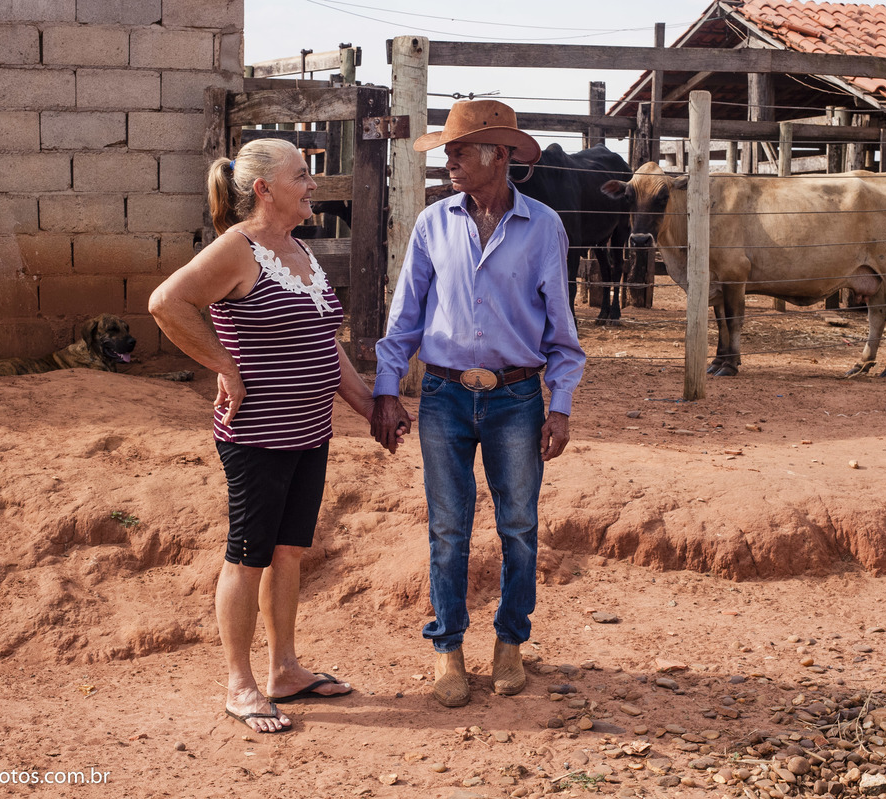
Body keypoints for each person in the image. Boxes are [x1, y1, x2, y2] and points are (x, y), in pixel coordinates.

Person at [149, 138, 392, 734]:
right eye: (303, 175)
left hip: (310, 431)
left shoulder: (299, 251)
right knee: (248, 554)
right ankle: (240, 683)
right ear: (264, 189)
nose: (313, 185)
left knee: (289, 551)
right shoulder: (237, 250)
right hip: (256, 434)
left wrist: (371, 407)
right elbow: (166, 303)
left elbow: (325, 345)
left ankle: (284, 670)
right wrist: (226, 366)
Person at [370, 100, 586, 707]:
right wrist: (387, 391)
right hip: (442, 395)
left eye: (460, 150)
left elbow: (562, 329)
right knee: (447, 528)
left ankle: (510, 643)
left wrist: (559, 403)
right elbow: (404, 316)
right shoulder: (432, 223)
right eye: (449, 150)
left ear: (500, 156)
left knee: (518, 525)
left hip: (516, 395)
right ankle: (448, 651)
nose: (449, 160)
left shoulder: (543, 226)